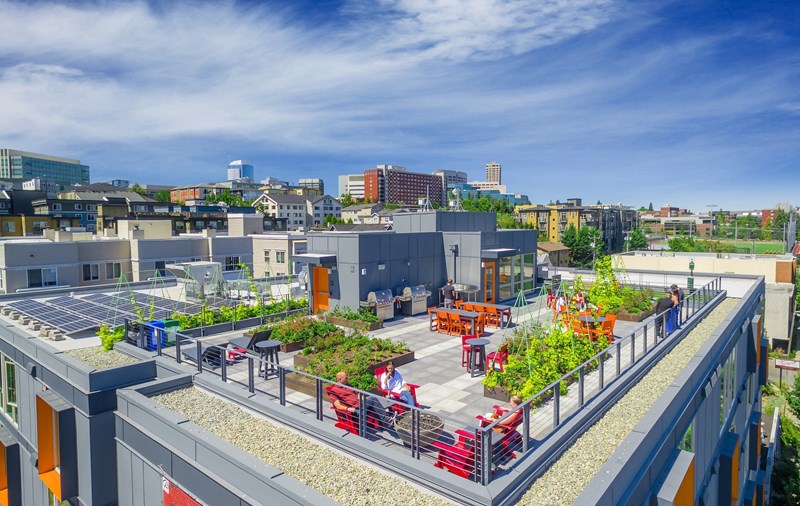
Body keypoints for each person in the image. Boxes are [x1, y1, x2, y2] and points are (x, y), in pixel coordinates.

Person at [328, 371, 394, 429]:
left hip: (361, 405)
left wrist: (364, 399)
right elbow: (337, 405)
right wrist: (347, 408)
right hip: (353, 410)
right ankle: (384, 422)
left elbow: (358, 394)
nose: (348, 379)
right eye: (346, 378)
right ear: (339, 379)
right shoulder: (334, 391)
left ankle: (386, 420)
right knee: (367, 408)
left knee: (373, 399)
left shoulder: (348, 385)